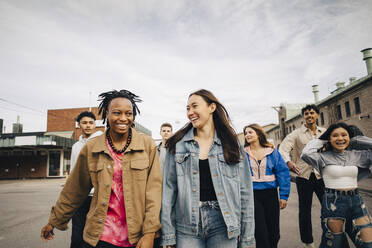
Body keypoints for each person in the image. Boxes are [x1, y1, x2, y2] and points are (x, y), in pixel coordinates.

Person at [41, 90, 162, 248]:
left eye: (129, 113)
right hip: (102, 235)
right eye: (117, 113)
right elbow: (74, 190)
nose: (123, 118)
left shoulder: (147, 145)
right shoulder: (92, 147)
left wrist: (150, 233)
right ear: (106, 113)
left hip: (137, 236)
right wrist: (54, 221)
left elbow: (154, 192)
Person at [160, 89, 255, 248]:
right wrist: (168, 234)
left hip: (224, 223)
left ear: (211, 107)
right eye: (188, 108)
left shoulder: (231, 144)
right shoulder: (177, 145)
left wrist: (247, 237)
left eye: (195, 106)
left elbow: (245, 191)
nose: (190, 112)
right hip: (186, 226)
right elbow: (168, 191)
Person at [301, 122, 372, 248]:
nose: (340, 138)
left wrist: (356, 140)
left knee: (368, 243)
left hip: (356, 201)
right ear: (329, 138)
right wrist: (322, 139)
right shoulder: (321, 157)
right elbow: (306, 154)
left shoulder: (357, 155)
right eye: (335, 136)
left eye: (344, 135)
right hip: (333, 203)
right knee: (335, 243)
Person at [279, 104, 326, 248]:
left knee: (328, 208)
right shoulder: (296, 134)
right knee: (305, 210)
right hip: (303, 175)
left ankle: (329, 236)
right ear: (303, 117)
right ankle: (308, 242)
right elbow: (283, 149)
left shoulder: (324, 132)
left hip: (322, 176)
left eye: (312, 113)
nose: (309, 116)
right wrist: (289, 162)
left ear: (317, 115)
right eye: (306, 114)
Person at [243, 124, 290, 248]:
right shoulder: (243, 154)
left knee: (274, 232)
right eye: (246, 133)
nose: (247, 135)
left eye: (250, 132)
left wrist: (284, 196)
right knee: (260, 232)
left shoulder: (272, 152)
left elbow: (283, 173)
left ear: (258, 134)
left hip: (271, 194)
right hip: (253, 196)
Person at [70, 111, 103, 248]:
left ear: (95, 124)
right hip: (80, 197)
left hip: (97, 196)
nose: (88, 125)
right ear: (79, 125)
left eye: (91, 123)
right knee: (77, 232)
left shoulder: (101, 142)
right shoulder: (75, 146)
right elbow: (73, 172)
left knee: (95, 234)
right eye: (84, 123)